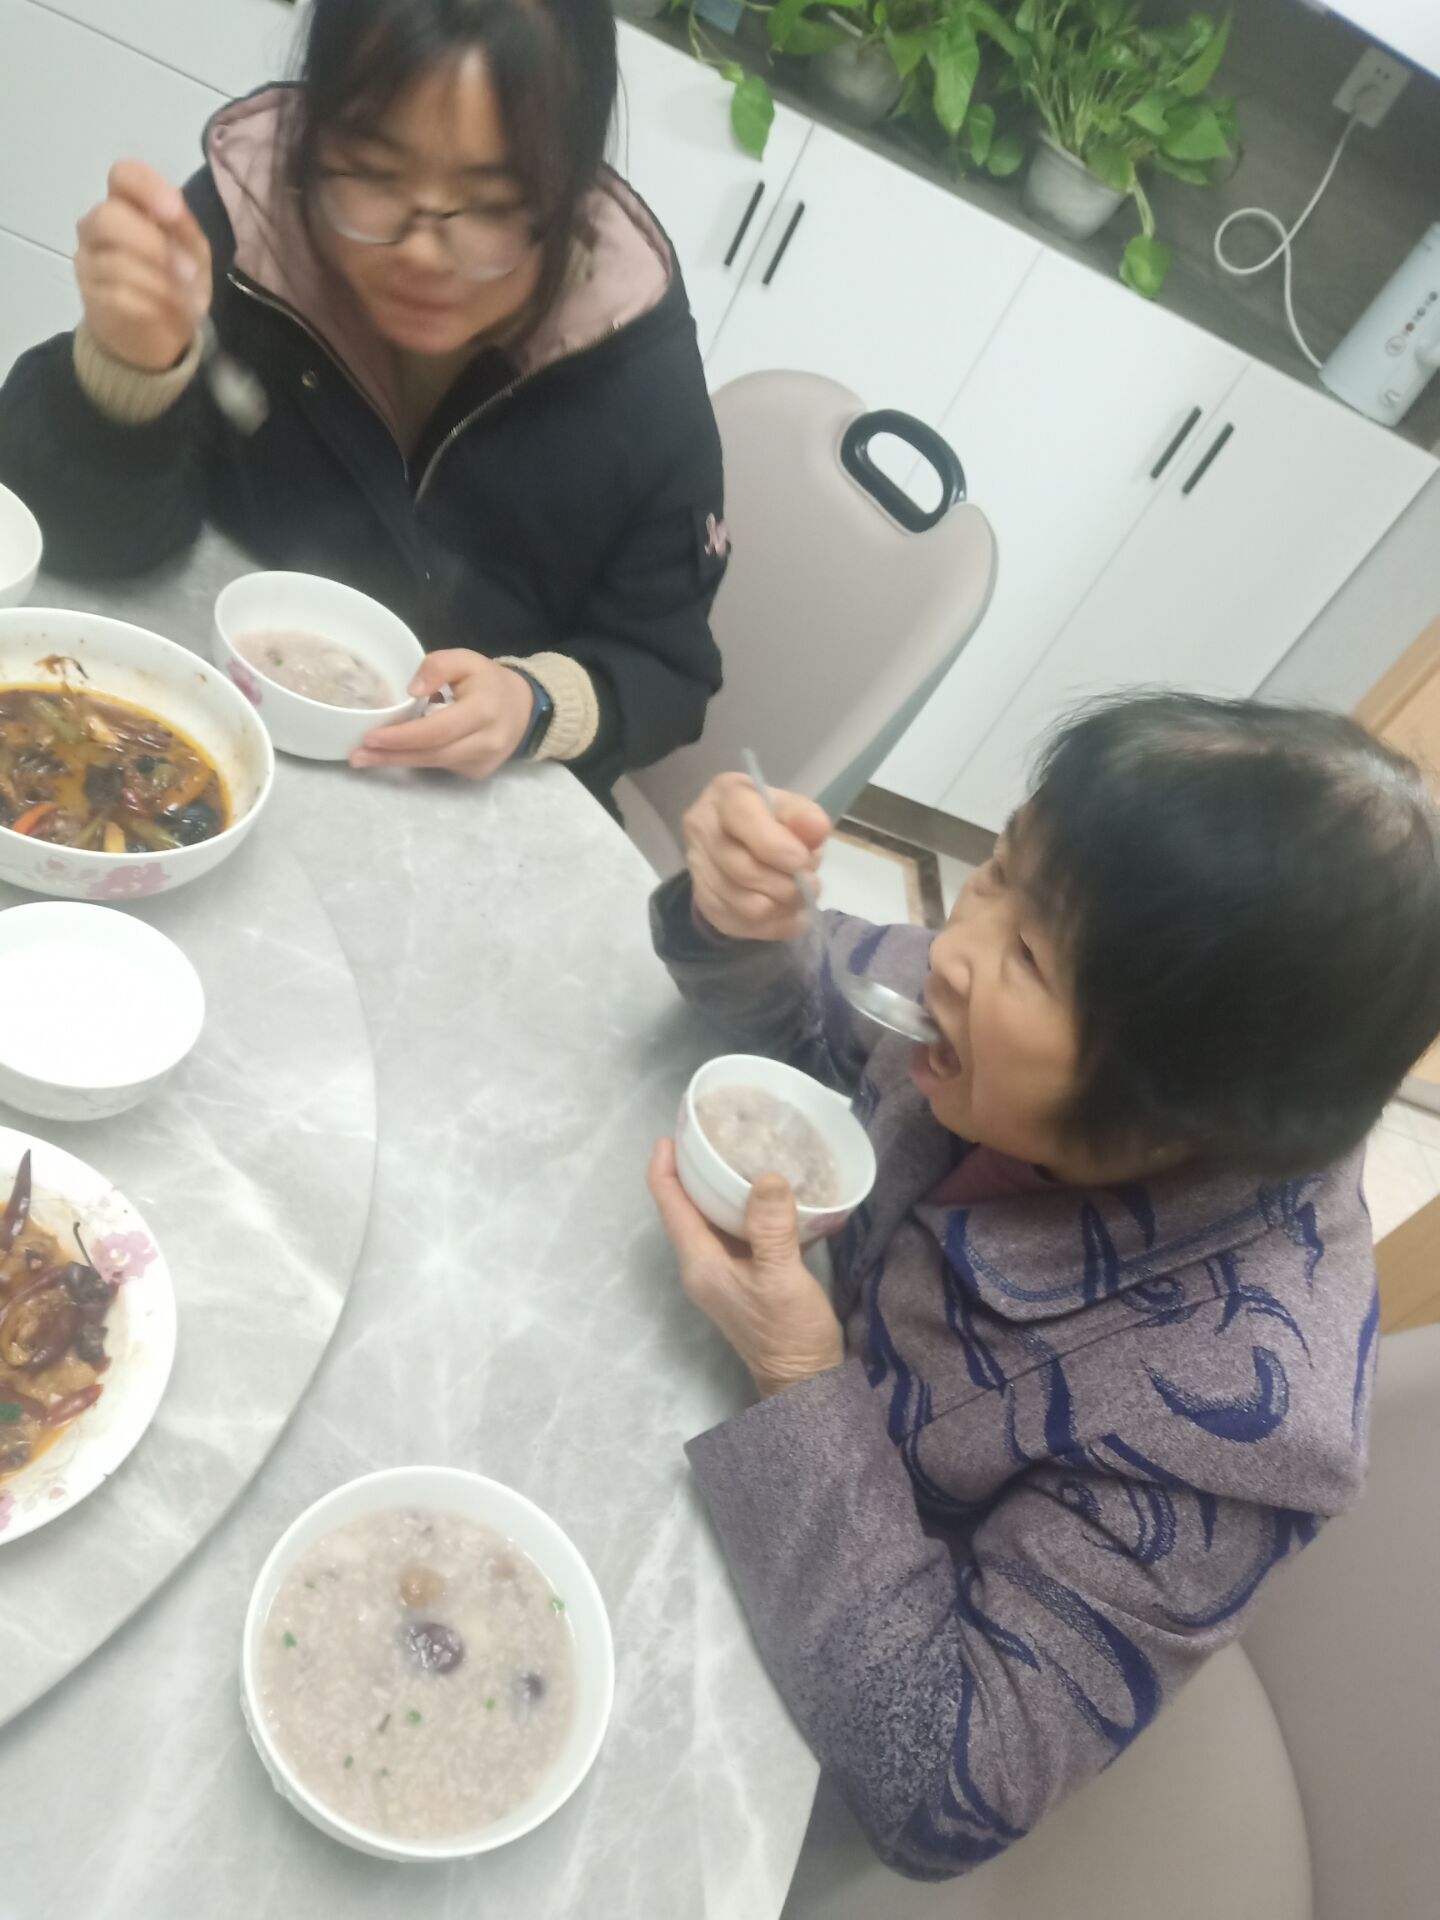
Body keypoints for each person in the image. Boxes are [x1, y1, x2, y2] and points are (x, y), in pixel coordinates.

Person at [646, 693, 1440, 1881]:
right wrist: (744, 924)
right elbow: (815, 1033)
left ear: (1188, 1118)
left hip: (793, 1687)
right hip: (699, 1455)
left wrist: (798, 1375)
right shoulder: (1017, 1018)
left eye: (1028, 956)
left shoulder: (1244, 1417)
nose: (952, 950)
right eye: (1000, 869)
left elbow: (936, 1778)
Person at [0, 0, 726, 806]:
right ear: (313, 141)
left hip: (464, 812)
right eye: (375, 176)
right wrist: (128, 370)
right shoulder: (251, 234)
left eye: (491, 204)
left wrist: (537, 704)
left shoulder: (629, 356)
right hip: (191, 741)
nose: (423, 252)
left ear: (572, 195)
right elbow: (69, 542)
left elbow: (667, 667)